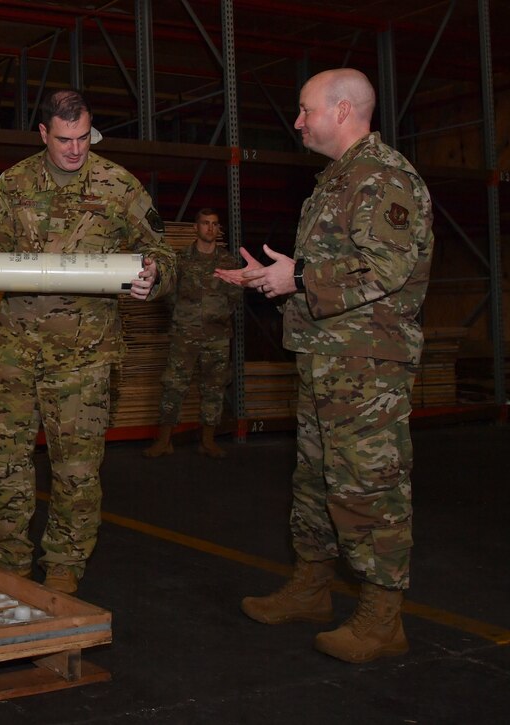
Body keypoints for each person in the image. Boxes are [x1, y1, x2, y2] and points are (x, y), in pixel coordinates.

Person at [215, 68, 432, 663]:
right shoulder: (339, 179)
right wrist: (280, 280)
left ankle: (382, 619)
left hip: (367, 367)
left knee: (369, 488)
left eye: (306, 109)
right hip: (326, 356)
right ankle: (312, 589)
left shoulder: (384, 177)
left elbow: (385, 270)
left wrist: (301, 276)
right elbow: (338, 271)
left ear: (341, 110)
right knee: (315, 482)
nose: (299, 120)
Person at [0, 89, 175, 594]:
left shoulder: (118, 186)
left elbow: (162, 253)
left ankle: (66, 567)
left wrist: (154, 275)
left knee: (77, 471)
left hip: (86, 358)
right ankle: (7, 564)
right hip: (15, 353)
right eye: (64, 139)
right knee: (5, 465)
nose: (75, 149)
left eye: (84, 138)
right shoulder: (13, 185)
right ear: (43, 133)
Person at [143, 208, 242, 459]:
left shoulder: (228, 262)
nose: (211, 228)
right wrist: (184, 316)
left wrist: (216, 315)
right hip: (184, 334)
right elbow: (169, 295)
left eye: (215, 224)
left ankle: (207, 441)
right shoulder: (181, 260)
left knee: (214, 387)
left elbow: (235, 297)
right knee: (173, 385)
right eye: (206, 223)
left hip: (217, 336)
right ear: (195, 228)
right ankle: (164, 441)